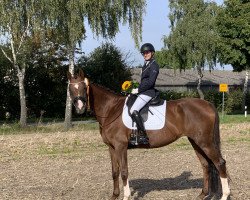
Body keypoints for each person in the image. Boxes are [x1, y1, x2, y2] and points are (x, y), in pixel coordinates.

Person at [130, 43, 159, 144]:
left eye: (147, 52)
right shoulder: (145, 65)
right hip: (143, 91)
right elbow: (144, 81)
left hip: (148, 92)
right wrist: (136, 88)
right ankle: (133, 134)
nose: (145, 54)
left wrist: (138, 90)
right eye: (143, 53)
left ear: (152, 53)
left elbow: (150, 82)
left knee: (133, 110)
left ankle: (143, 135)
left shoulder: (154, 65)